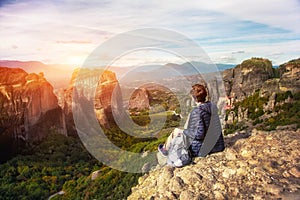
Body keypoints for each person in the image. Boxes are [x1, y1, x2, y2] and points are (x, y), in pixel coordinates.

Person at [158, 84, 225, 158]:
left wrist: (185, 131)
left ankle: (165, 149)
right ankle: (167, 147)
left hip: (203, 149)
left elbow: (199, 135)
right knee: (183, 130)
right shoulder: (212, 106)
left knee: (177, 131)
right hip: (218, 145)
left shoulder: (197, 111)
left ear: (194, 98)